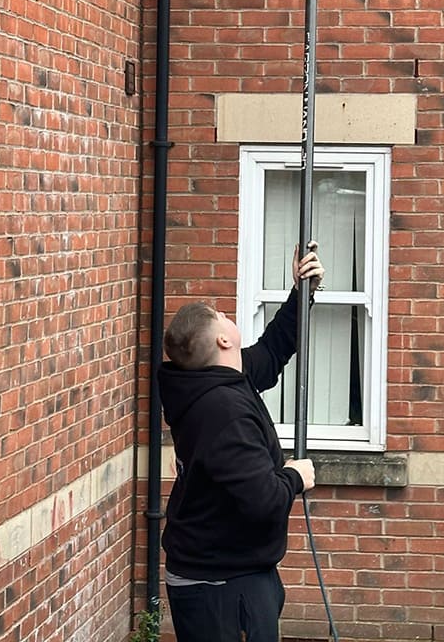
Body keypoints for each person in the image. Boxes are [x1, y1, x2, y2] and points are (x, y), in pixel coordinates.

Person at [158, 243, 325, 642]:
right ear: (222, 343)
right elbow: (264, 500)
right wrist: (295, 477)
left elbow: (271, 352)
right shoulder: (221, 412)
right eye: (222, 318)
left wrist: (302, 293)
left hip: (233, 571)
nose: (229, 319)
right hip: (218, 585)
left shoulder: (223, 377)